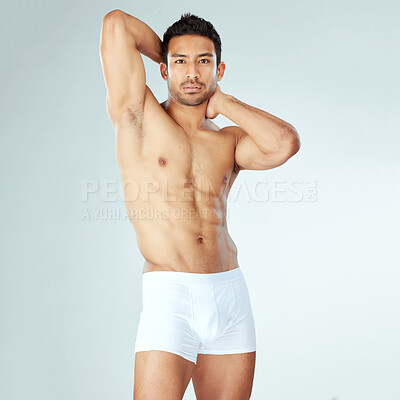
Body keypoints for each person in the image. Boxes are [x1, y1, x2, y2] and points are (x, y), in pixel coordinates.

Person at [100, 9, 300, 400]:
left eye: (203, 62)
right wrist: (173, 55)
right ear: (163, 69)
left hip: (229, 296)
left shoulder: (229, 141)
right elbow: (116, 25)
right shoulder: (137, 116)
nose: (192, 73)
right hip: (170, 295)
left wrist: (223, 102)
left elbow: (285, 144)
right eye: (180, 63)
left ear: (219, 69)